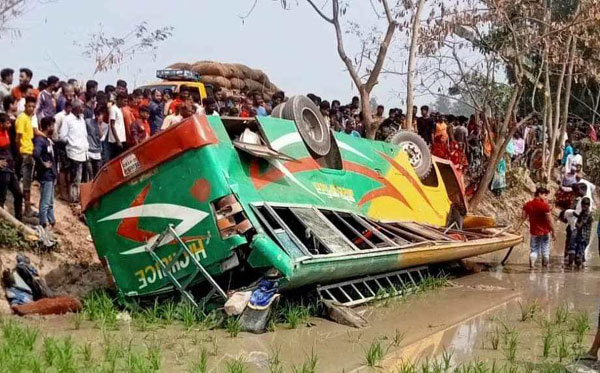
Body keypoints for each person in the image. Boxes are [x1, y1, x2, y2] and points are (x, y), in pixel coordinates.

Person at [518, 186, 555, 268]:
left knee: (534, 250)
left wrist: (516, 228)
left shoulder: (527, 205)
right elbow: (550, 220)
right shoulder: (545, 206)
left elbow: (522, 218)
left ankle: (532, 265)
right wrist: (553, 232)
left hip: (534, 231)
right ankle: (544, 268)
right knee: (545, 250)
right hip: (545, 231)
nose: (546, 197)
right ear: (539, 194)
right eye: (545, 195)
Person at [59, 101, 88, 204]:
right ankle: (73, 199)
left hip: (83, 152)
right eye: (81, 107)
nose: (83, 109)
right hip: (73, 152)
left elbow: (84, 135)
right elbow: (63, 136)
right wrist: (72, 143)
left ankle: (76, 197)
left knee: (79, 177)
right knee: (74, 177)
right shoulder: (68, 120)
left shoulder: (82, 119)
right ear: (76, 108)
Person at [33, 117, 57, 228]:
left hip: (50, 175)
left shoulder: (47, 140)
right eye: (52, 126)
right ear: (48, 127)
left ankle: (51, 221)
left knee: (50, 201)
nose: (54, 128)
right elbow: (36, 154)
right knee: (45, 201)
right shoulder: (39, 140)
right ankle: (43, 222)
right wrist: (43, 164)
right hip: (45, 175)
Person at [15, 97, 36, 216]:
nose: (31, 108)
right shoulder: (22, 118)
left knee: (28, 183)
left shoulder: (29, 118)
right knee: (26, 183)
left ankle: (27, 207)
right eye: (29, 106)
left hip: (29, 152)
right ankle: (26, 209)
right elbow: (18, 138)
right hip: (24, 153)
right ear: (25, 106)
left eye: (33, 107)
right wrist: (19, 153)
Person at [0, 113, 22, 221]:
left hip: (10, 168)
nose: (9, 125)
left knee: (18, 194)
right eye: (7, 123)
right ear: (1, 124)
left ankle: (19, 220)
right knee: (2, 197)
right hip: (3, 171)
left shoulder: (7, 132)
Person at [565, 197, 593, 269]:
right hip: (580, 236)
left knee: (579, 255)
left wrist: (572, 221)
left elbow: (580, 225)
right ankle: (578, 270)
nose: (584, 206)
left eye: (586, 204)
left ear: (589, 205)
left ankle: (579, 270)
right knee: (578, 254)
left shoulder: (588, 214)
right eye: (583, 204)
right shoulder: (582, 212)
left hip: (584, 237)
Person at [84, 107, 104, 181]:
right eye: (97, 115)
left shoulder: (104, 125)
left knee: (98, 172)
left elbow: (102, 137)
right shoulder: (87, 122)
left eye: (100, 115)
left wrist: (99, 126)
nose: (99, 117)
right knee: (90, 173)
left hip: (98, 151)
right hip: (89, 150)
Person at [108, 93, 127, 159]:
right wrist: (118, 140)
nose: (126, 103)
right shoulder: (113, 109)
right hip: (115, 141)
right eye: (124, 101)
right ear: (119, 100)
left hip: (121, 139)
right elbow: (112, 125)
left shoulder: (120, 109)